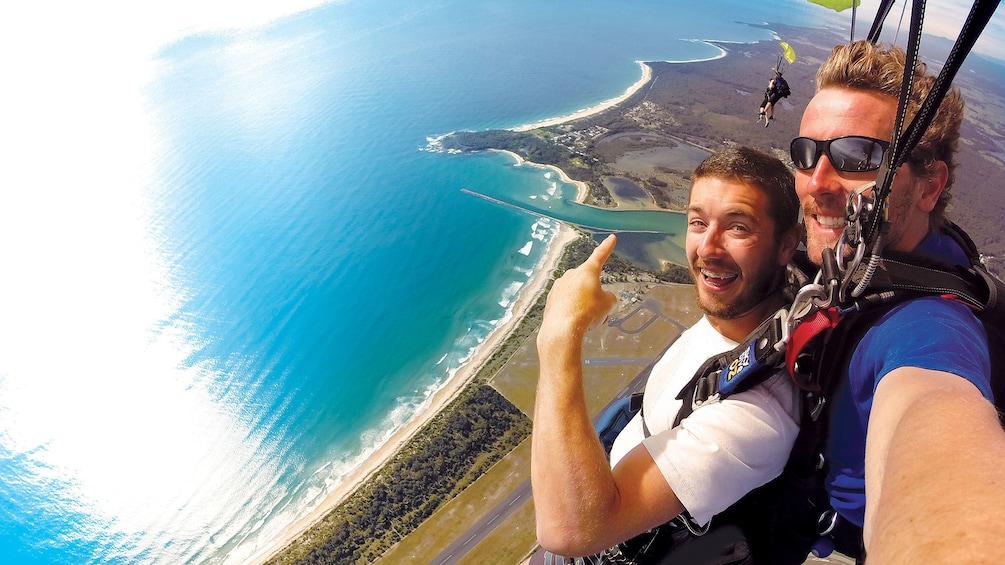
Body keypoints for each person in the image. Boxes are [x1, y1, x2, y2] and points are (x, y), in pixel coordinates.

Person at [790, 40, 1005, 563]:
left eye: (858, 157)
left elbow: (933, 411)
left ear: (929, 188)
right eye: (805, 153)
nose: (817, 183)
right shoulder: (892, 252)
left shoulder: (927, 330)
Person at [531, 146, 802, 559]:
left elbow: (571, 531)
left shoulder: (755, 415)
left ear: (786, 246)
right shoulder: (738, 318)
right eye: (697, 222)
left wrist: (557, 336)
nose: (708, 248)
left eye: (738, 227)